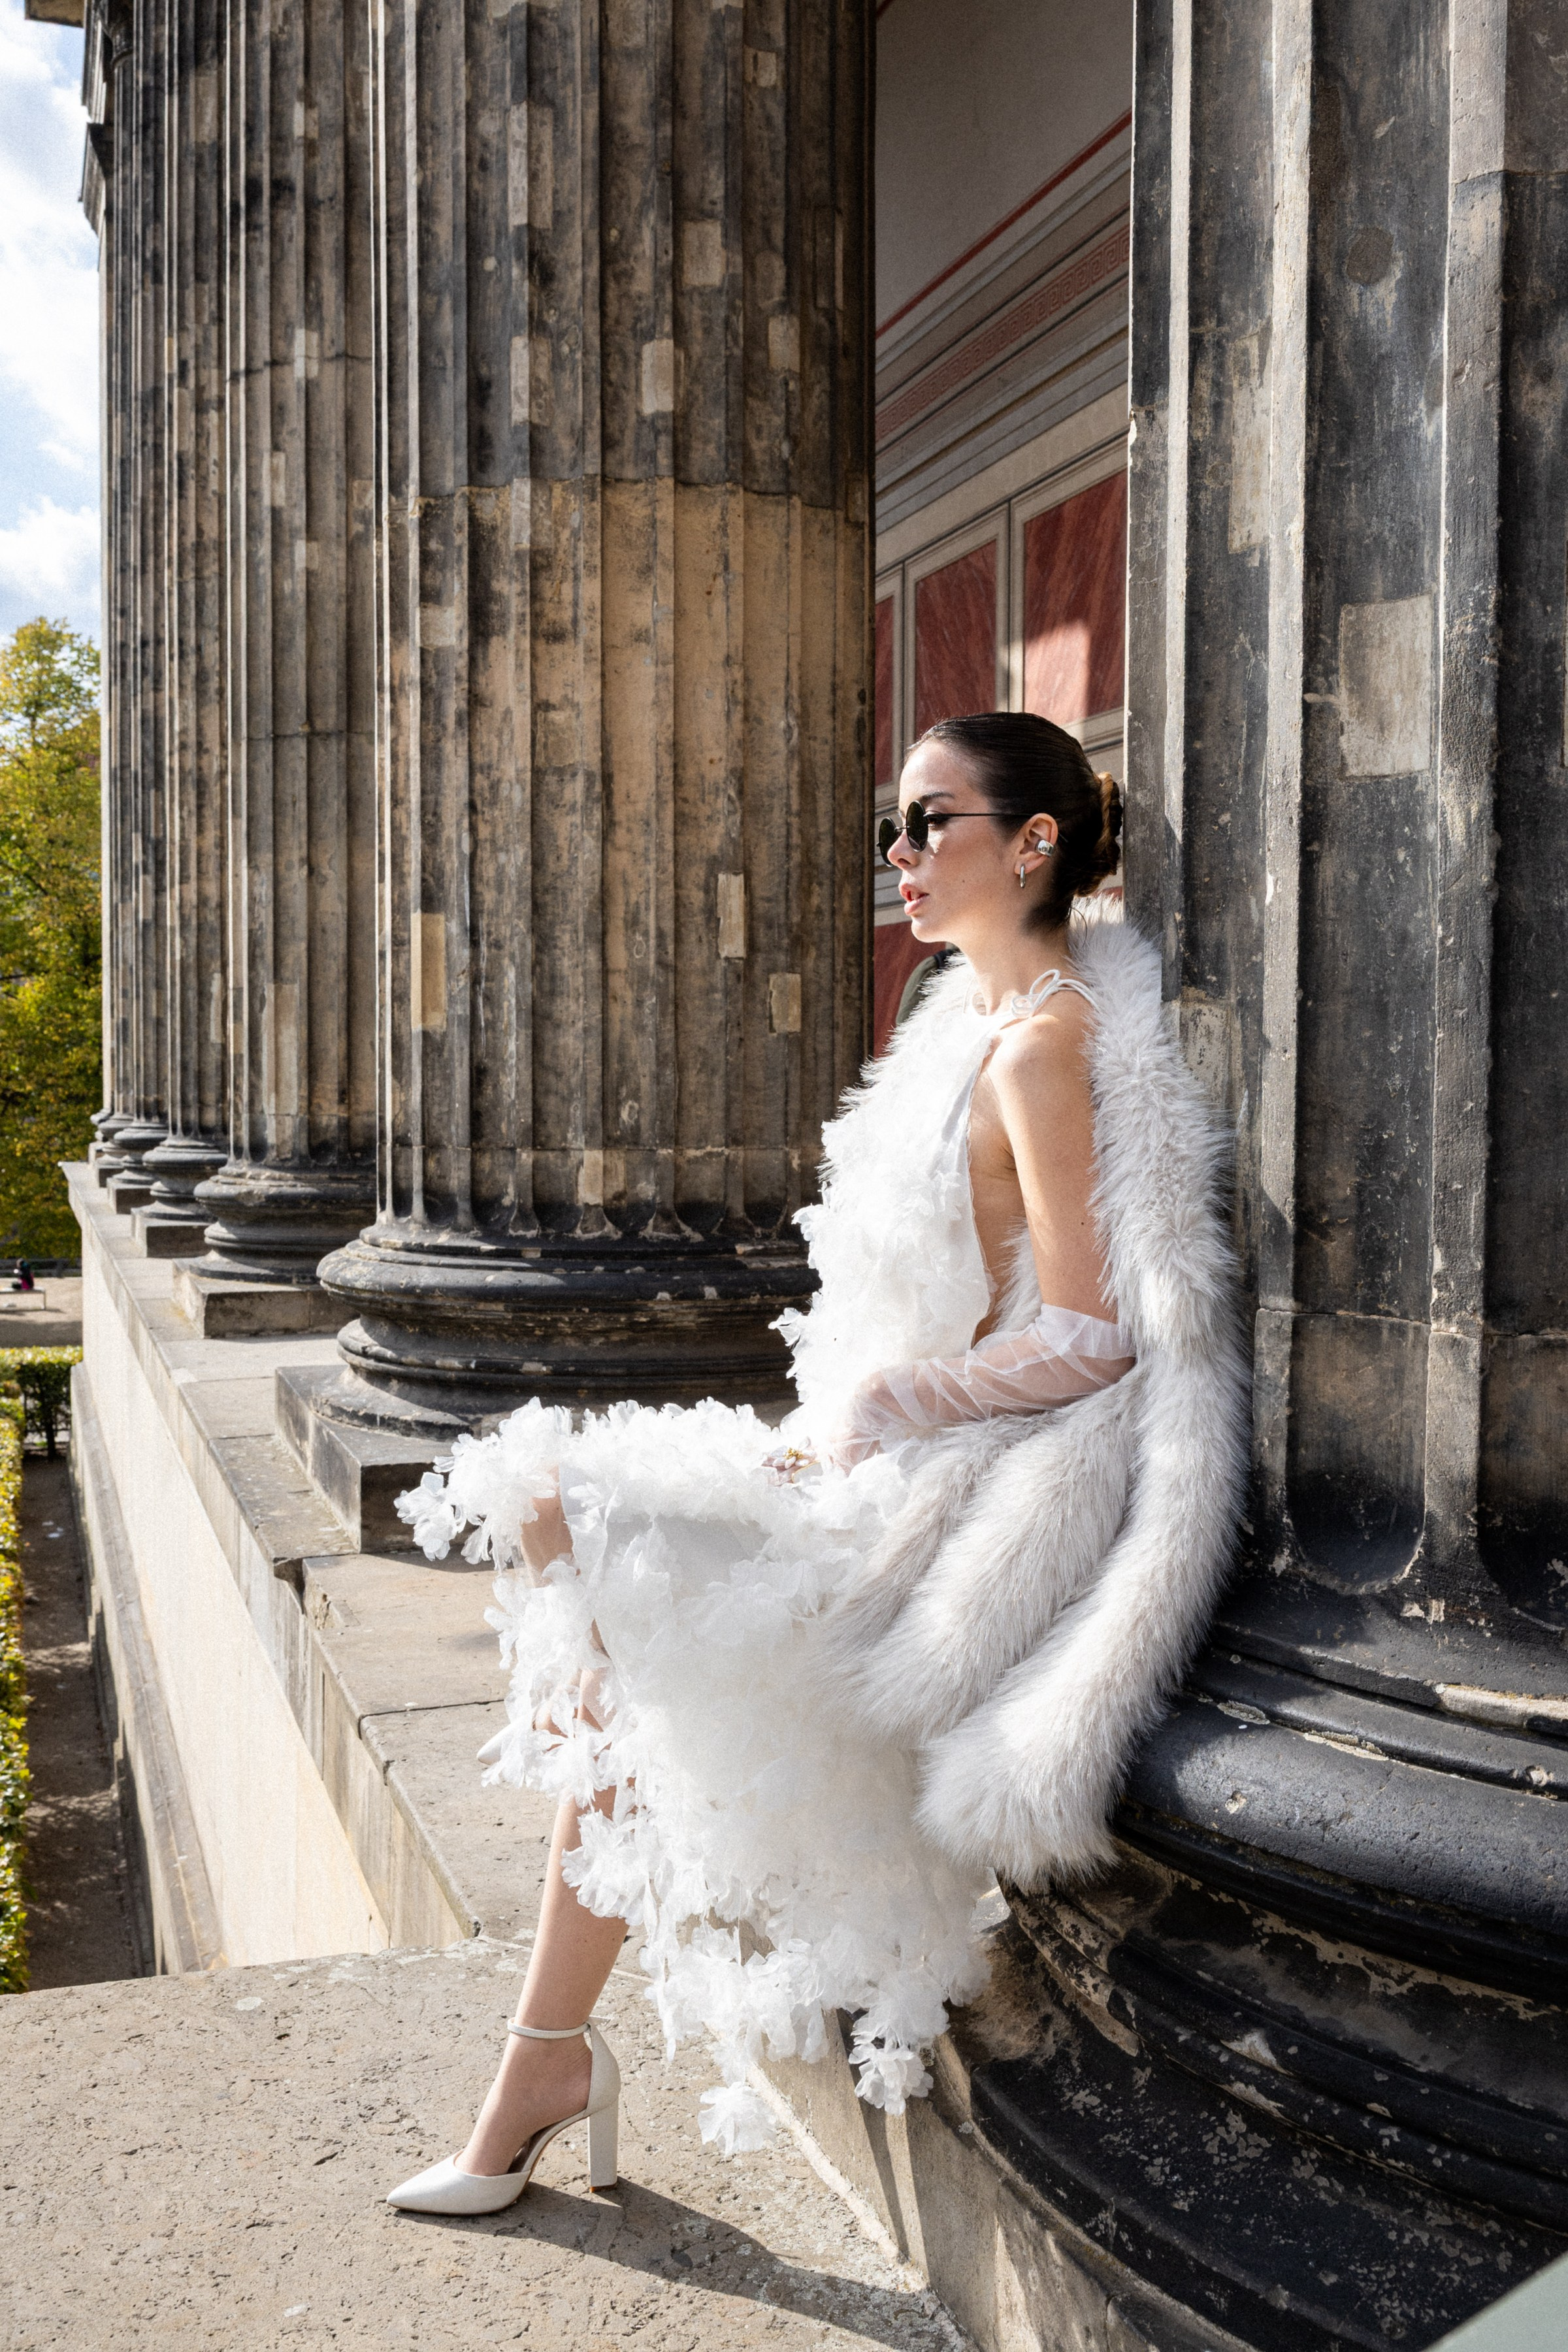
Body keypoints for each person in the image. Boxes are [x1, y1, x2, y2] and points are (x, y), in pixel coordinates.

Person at [386, 711, 1249, 2216]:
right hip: (849, 1443)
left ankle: (540, 2061)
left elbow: (1098, 1335)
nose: (900, 859)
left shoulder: (1044, 1046)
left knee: (594, 1567)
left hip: (926, 1471)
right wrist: (839, 1415)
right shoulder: (952, 1027)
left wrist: (887, 1409)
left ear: (1033, 842)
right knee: (549, 1519)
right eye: (893, 832)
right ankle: (549, 2047)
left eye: (931, 826)